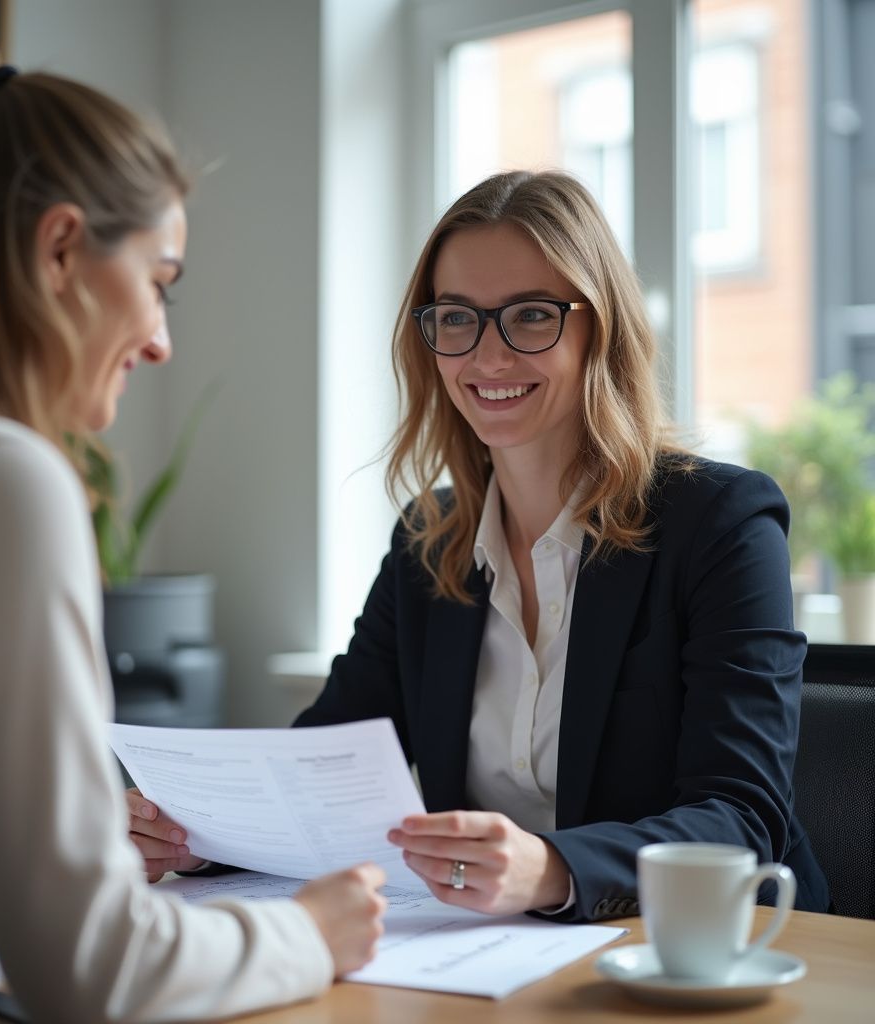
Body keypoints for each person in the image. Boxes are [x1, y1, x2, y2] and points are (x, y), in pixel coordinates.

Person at [128, 169, 829, 922]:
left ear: (601, 328)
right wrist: (198, 833)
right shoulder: (428, 544)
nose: (488, 357)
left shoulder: (720, 523)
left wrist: (553, 867)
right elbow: (317, 773)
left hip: (712, 953)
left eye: (531, 316)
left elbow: (741, 819)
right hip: (494, 956)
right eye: (457, 318)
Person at [0, 39, 385, 1024]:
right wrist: (311, 932)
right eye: (159, 279)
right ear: (59, 250)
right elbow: (92, 969)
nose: (159, 338)